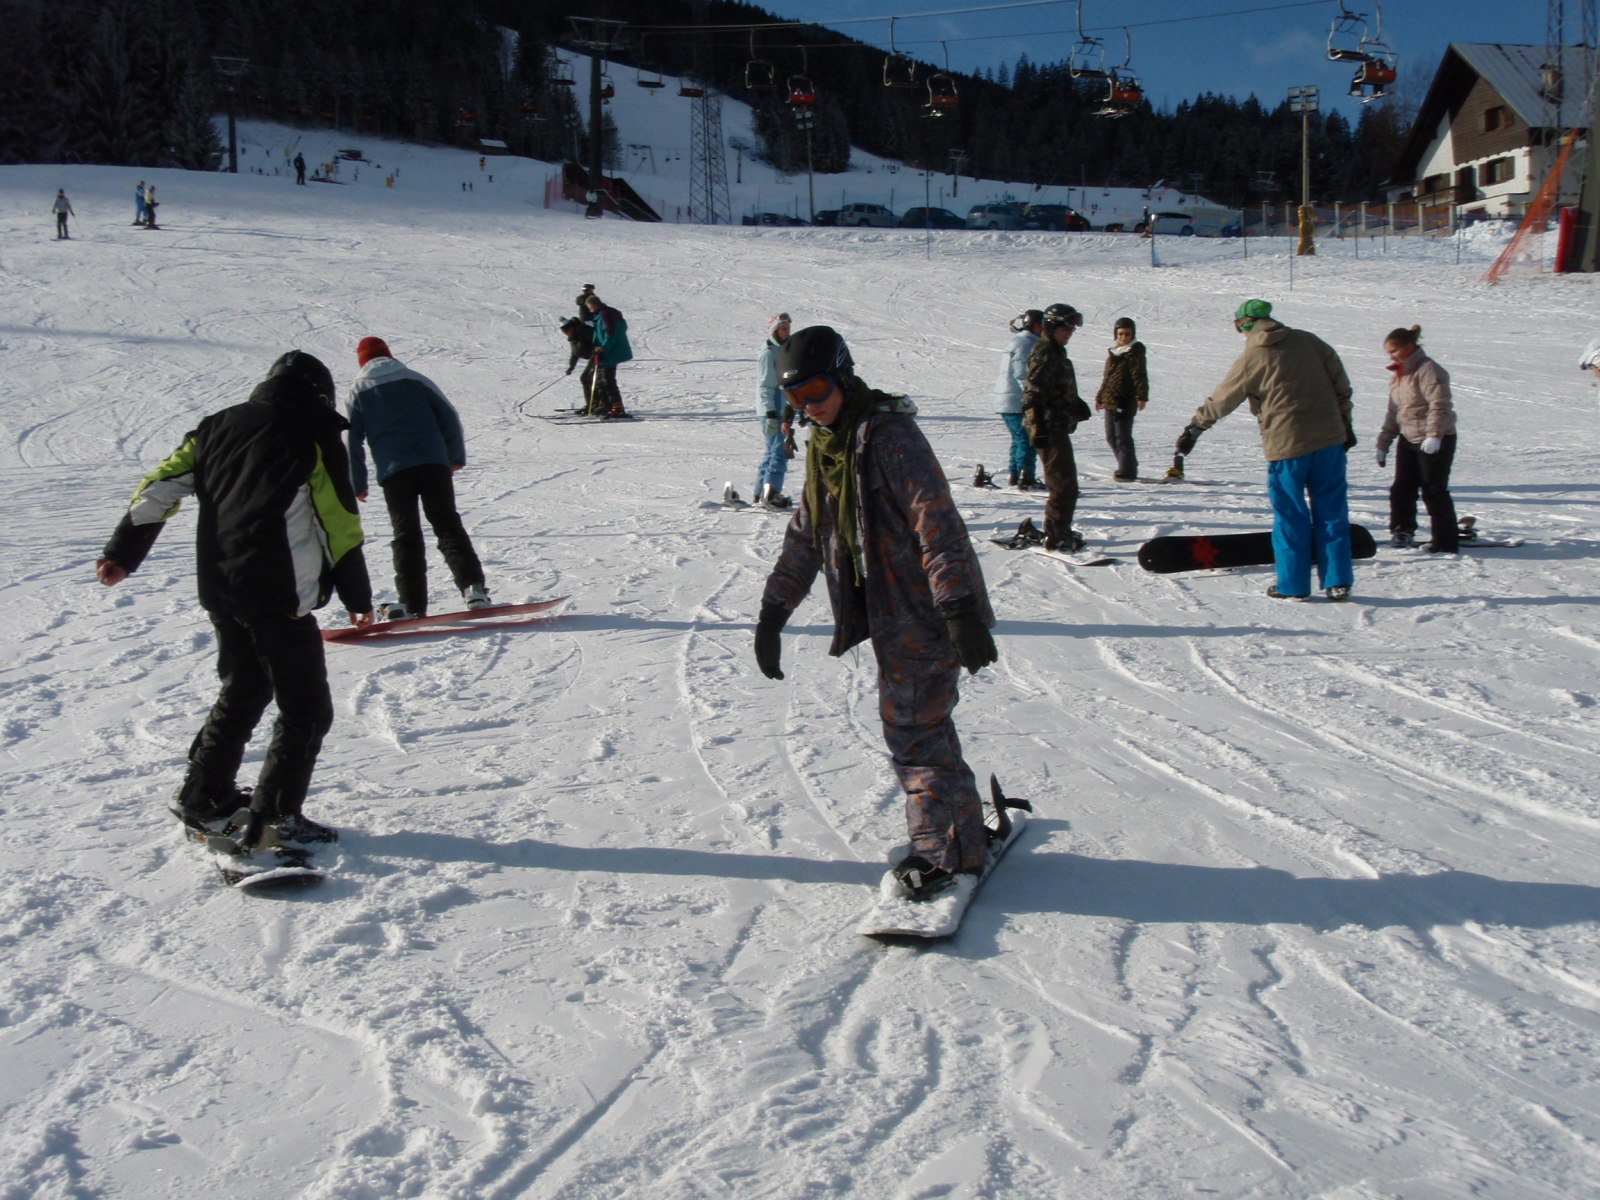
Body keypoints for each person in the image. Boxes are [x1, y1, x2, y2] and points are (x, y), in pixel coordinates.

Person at [753, 326, 997, 900]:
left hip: (926, 609)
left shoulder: (889, 436)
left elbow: (936, 522)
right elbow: (807, 535)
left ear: (843, 376)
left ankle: (943, 853)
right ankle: (959, 835)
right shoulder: (827, 446)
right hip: (889, 614)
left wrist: (959, 608)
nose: (808, 406)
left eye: (816, 390)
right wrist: (772, 612)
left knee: (913, 728)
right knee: (921, 725)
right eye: (795, 397)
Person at [95, 351, 374, 850]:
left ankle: (202, 794)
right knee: (307, 709)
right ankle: (276, 818)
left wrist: (123, 551)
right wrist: (357, 594)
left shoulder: (215, 427)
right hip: (278, 591)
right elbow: (338, 521)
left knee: (244, 688)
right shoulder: (313, 430)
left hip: (221, 587)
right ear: (320, 395)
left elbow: (157, 488)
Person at [1175, 299, 1357, 601]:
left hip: (1287, 444)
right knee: (1332, 510)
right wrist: (1345, 423)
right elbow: (1341, 384)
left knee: (1290, 513)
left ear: (1244, 324)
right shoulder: (1309, 341)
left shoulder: (1252, 357)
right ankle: (1337, 581)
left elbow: (1223, 399)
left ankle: (1293, 584)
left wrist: (1195, 428)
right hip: (1329, 439)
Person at [346, 337, 490, 619]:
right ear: (389, 355)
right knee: (447, 524)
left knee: (406, 535)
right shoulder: (416, 379)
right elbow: (449, 416)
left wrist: (357, 483)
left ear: (362, 362)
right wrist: (455, 456)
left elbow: (350, 440)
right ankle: (474, 589)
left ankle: (412, 605)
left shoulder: (357, 391)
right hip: (434, 463)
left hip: (394, 472)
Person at [1375, 325, 1458, 553]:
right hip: (1408, 437)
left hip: (1435, 439)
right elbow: (1394, 411)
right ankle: (1402, 530)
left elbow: (1439, 405)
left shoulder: (1429, 370)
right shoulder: (1399, 375)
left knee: (1433, 489)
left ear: (1409, 346)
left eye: (1394, 351)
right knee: (1401, 488)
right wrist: (1383, 443)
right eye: (1388, 353)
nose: (1391, 357)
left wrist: (1434, 436)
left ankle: (1445, 541)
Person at [1021, 302, 1090, 551]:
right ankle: (1056, 535)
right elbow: (1033, 393)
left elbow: (1055, 388)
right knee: (1063, 485)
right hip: (1048, 428)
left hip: (1056, 424)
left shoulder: (1055, 351)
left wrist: (1075, 404)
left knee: (1066, 483)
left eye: (1072, 329)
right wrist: (1038, 426)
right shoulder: (1045, 353)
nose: (1070, 333)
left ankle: (1060, 529)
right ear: (1052, 327)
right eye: (1066, 328)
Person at [1094, 316, 1149, 482]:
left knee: (1122, 437)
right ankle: (1126, 464)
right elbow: (1107, 378)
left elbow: (1140, 376)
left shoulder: (1135, 353)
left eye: (1127, 334)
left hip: (1125, 400)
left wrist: (1142, 396)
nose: (1123, 337)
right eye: (1120, 334)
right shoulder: (1114, 353)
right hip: (1110, 400)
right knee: (1111, 437)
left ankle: (1127, 470)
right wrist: (1100, 396)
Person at [993, 310, 1043, 489]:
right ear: (1037, 325)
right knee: (1027, 439)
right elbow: (1022, 372)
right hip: (1016, 399)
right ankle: (1025, 476)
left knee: (1019, 438)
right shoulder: (1026, 343)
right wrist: (1031, 393)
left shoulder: (1019, 341)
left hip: (1007, 398)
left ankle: (1015, 475)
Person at [754, 312, 794, 506]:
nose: (786, 332)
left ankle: (761, 492)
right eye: (782, 328)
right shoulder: (769, 353)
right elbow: (765, 386)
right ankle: (771, 493)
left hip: (780, 407)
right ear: (774, 331)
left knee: (772, 451)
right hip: (771, 408)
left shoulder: (784, 350)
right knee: (779, 451)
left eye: (788, 328)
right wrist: (770, 413)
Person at [584, 294, 633, 419]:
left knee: (607, 380)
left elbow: (611, 334)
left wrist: (603, 347)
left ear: (594, 305)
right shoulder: (604, 314)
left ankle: (617, 407)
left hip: (611, 351)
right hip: (608, 351)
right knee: (601, 380)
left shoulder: (605, 315)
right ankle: (607, 406)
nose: (589, 310)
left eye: (590, 307)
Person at [559, 317, 597, 412]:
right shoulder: (573, 337)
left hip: (599, 356)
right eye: (564, 332)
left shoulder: (584, 330)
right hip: (593, 358)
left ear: (571, 327)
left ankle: (596, 404)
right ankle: (591, 404)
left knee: (588, 378)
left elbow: (597, 341)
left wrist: (596, 351)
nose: (566, 333)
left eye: (566, 331)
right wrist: (571, 367)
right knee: (585, 378)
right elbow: (575, 353)